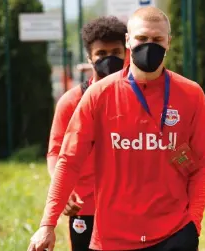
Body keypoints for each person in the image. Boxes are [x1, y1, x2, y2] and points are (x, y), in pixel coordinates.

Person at [28, 6, 205, 251]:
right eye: (141, 38)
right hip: (112, 240)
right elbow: (68, 159)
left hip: (174, 234)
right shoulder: (98, 95)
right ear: (128, 41)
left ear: (169, 42)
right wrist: (47, 223)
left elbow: (200, 164)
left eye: (157, 39)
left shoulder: (191, 94)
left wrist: (193, 223)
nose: (150, 45)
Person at [46, 16, 127, 251]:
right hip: (86, 206)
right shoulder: (71, 102)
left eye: (116, 51)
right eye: (101, 53)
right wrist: (63, 190)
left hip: (132, 207)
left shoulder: (140, 98)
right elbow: (55, 151)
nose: (109, 58)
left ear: (127, 52)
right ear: (89, 58)